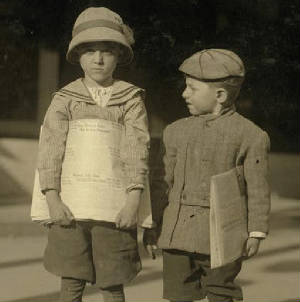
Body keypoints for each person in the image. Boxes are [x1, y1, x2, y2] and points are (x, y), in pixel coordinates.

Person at [37, 7, 150, 302]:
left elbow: (137, 148)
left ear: (119, 55)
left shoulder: (130, 100)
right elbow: (50, 149)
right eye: (89, 51)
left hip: (114, 208)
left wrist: (133, 200)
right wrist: (52, 197)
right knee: (72, 279)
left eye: (107, 51)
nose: (98, 59)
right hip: (71, 206)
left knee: (112, 282)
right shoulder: (64, 100)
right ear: (78, 56)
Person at [144, 49, 271, 302]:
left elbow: (257, 187)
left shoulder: (250, 135)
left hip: (222, 236)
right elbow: (161, 183)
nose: (184, 93)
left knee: (221, 292)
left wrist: (256, 231)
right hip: (175, 232)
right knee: (178, 294)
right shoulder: (174, 132)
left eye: (192, 88)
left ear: (220, 95)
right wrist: (152, 223)